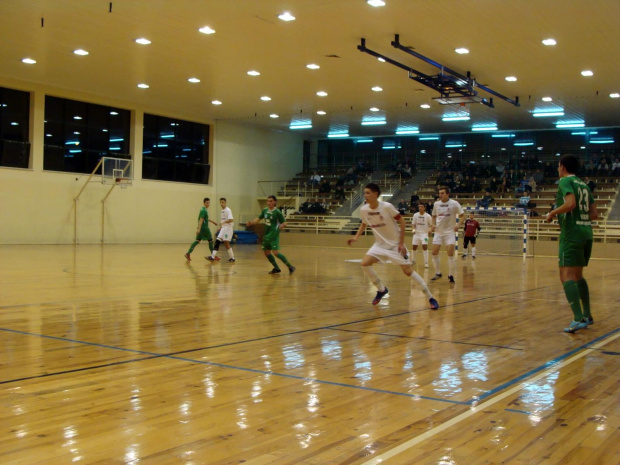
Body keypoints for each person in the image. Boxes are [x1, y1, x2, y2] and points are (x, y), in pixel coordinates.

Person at [347, 183, 439, 309]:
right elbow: (364, 224)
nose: (365, 195)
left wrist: (401, 243)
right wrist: (356, 237)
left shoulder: (387, 207)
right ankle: (381, 289)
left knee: (408, 271)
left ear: (376, 194)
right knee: (364, 263)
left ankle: (430, 297)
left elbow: (401, 222)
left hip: (395, 245)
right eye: (365, 193)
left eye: (368, 193)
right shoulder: (364, 210)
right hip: (379, 245)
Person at [546, 155, 598, 333]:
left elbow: (570, 204)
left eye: (558, 165)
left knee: (565, 275)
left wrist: (553, 213)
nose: (558, 168)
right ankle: (587, 314)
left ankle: (578, 318)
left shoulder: (564, 182)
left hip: (572, 234)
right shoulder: (584, 185)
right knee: (578, 275)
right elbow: (594, 214)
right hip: (586, 233)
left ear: (562, 167)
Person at [246, 195, 296, 274]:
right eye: (268, 201)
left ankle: (290, 266)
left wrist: (282, 225)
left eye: (271, 201)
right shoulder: (265, 210)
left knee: (275, 253)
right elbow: (258, 219)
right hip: (266, 235)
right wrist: (251, 223)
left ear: (275, 202)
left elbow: (285, 222)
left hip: (274, 235)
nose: (269, 203)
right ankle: (276, 268)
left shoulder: (277, 212)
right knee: (266, 252)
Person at [430, 186, 464, 283]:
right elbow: (433, 217)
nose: (440, 195)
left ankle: (451, 275)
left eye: (442, 193)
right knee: (434, 252)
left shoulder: (454, 204)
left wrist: (458, 224)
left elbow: (462, 216)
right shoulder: (436, 204)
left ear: (447, 194)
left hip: (449, 232)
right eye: (439, 193)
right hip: (438, 232)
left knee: (450, 253)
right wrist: (432, 225)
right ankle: (438, 273)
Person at [206, 198, 236, 262]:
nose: (221, 204)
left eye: (222, 202)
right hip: (224, 228)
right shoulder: (222, 210)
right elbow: (223, 221)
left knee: (225, 243)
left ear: (225, 202)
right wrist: (221, 227)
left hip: (228, 229)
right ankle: (212, 256)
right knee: (218, 241)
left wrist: (223, 222)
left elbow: (231, 220)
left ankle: (232, 258)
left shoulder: (228, 210)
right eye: (220, 202)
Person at [411, 203, 432, 268]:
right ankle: (413, 260)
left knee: (424, 246)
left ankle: (426, 262)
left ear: (424, 208)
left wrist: (430, 230)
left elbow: (431, 225)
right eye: (419, 206)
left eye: (422, 207)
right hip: (416, 234)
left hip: (424, 235)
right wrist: (413, 229)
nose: (420, 208)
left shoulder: (428, 216)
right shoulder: (415, 215)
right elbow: (413, 224)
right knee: (414, 247)